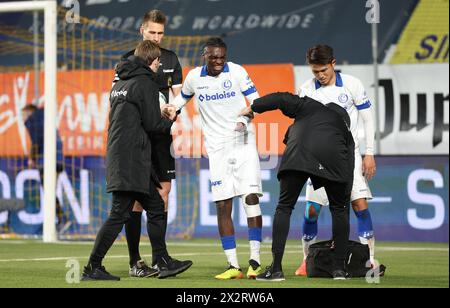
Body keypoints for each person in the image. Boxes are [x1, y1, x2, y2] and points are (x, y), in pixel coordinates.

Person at [81, 40, 192, 281]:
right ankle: (92, 267)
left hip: (123, 154)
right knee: (118, 213)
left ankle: (162, 260)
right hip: (131, 158)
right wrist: (172, 117)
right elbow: (154, 126)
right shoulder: (145, 84)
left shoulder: (120, 82)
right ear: (152, 62)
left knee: (154, 206)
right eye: (157, 62)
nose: (159, 66)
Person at [163, 37, 264, 280]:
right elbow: (182, 98)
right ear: (204, 55)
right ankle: (233, 266)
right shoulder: (194, 77)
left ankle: (255, 261)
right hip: (217, 149)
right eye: (213, 57)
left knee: (250, 198)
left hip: (243, 144)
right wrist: (171, 107)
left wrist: (245, 118)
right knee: (222, 205)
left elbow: (258, 101)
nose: (218, 61)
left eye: (222, 57)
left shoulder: (238, 72)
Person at [239, 92, 355, 281]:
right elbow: (348, 168)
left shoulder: (309, 106)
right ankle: (339, 270)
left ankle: (276, 269)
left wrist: (254, 106)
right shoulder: (345, 129)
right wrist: (344, 197)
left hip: (298, 152)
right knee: (339, 209)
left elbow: (281, 99)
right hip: (332, 156)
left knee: (284, 207)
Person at [295, 44, 378, 276]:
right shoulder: (306, 89)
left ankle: (369, 259)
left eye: (323, 70)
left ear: (333, 63)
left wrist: (369, 153)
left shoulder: (352, 84)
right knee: (311, 211)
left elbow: (367, 119)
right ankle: (306, 259)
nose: (319, 75)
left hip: (348, 157)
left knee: (360, 205)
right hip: (318, 160)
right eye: (314, 71)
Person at [114, 10, 184, 278]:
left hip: (162, 135)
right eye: (152, 32)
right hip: (137, 136)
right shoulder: (126, 62)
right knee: (135, 200)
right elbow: (117, 99)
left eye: (160, 33)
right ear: (141, 30)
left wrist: (173, 110)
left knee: (164, 193)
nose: (156, 37)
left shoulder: (171, 59)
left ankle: (160, 259)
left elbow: (180, 96)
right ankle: (135, 260)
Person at [21, 104, 70, 234]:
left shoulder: (33, 119)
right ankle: (61, 218)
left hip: (47, 161)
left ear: (30, 112)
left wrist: (32, 158)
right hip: (58, 160)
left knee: (48, 191)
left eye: (24, 115)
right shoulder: (45, 117)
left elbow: (36, 141)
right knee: (50, 190)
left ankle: (61, 218)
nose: (23, 119)